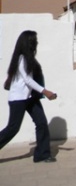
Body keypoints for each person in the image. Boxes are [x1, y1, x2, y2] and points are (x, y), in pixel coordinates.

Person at [0, 30, 58, 163]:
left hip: (30, 98)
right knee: (13, 128)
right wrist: (45, 91)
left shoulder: (29, 59)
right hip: (18, 99)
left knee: (42, 123)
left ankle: (42, 155)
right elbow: (27, 80)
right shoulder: (21, 59)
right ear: (27, 43)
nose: (36, 42)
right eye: (33, 40)